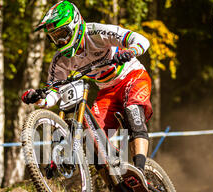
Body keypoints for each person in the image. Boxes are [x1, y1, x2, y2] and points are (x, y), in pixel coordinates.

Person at [21, 1, 153, 182]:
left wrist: (131, 51)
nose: (60, 41)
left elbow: (141, 40)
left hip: (133, 77)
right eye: (54, 37)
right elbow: (53, 94)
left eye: (62, 34)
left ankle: (140, 172)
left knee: (133, 113)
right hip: (106, 90)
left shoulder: (96, 32)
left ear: (75, 25)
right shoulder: (60, 60)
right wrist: (38, 98)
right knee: (93, 140)